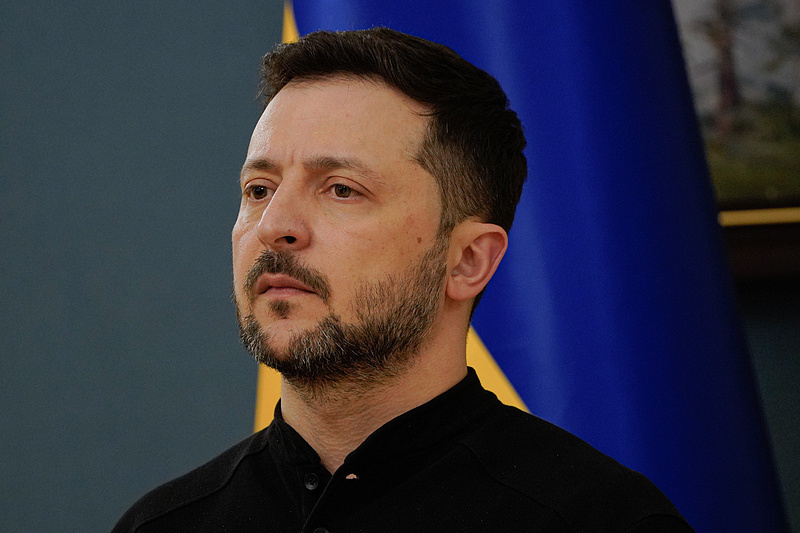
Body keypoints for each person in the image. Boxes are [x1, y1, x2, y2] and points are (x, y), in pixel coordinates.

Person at [113, 28, 694, 532]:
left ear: (467, 261)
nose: (274, 226)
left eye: (342, 189)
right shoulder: (161, 525)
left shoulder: (604, 521)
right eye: (258, 189)